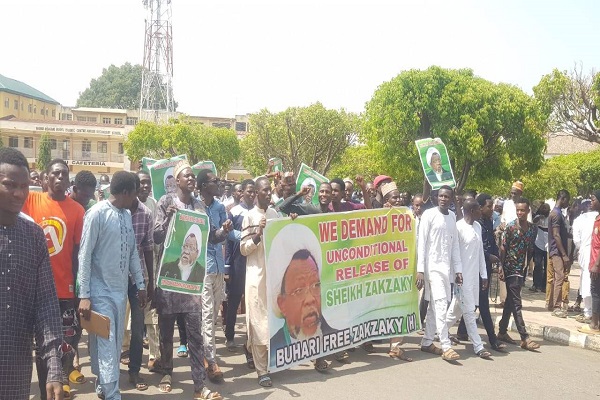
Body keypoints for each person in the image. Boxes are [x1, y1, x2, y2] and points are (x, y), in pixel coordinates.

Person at [152, 161, 224, 399]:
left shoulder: (199, 206)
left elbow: (210, 238)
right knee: (166, 330)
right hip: (170, 279)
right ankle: (167, 371)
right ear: (177, 180)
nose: (192, 179)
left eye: (193, 176)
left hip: (192, 283)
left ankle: (198, 386)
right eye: (188, 176)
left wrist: (223, 232)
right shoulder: (166, 202)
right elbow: (156, 236)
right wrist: (167, 220)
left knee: (195, 334)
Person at [78, 171, 148, 399]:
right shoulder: (96, 214)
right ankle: (112, 394)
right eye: (135, 193)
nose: (136, 199)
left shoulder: (126, 215)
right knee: (107, 344)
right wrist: (85, 294)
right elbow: (85, 255)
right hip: (99, 292)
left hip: (119, 293)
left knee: (113, 343)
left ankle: (103, 383)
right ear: (125, 192)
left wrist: (140, 284)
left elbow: (132, 254)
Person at [0, 148, 63, 400]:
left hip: (16, 365)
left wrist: (54, 368)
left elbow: (45, 303)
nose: (18, 193)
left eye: (25, 186)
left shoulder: (35, 236)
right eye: (9, 185)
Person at [22, 158, 86, 399]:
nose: (60, 178)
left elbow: (78, 254)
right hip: (32, 288)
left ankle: (59, 387)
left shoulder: (77, 210)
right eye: (56, 174)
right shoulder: (30, 201)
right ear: (45, 178)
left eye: (64, 175)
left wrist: (81, 290)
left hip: (64, 291)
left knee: (62, 345)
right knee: (38, 348)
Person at [239, 177, 280, 386]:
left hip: (273, 278)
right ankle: (261, 370)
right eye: (263, 190)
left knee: (271, 322)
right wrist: (258, 233)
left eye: (269, 191)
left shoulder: (274, 214)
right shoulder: (249, 216)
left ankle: (269, 363)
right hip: (256, 277)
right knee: (258, 323)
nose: (267, 194)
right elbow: (243, 248)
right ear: (255, 192)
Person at [416, 185, 463, 361]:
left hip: (447, 270)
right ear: (437, 198)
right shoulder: (429, 215)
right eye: (441, 196)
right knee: (442, 304)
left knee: (435, 307)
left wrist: (458, 270)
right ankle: (446, 345)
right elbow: (422, 243)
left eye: (447, 196)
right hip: (431, 268)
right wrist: (420, 270)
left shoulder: (452, 217)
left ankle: (427, 341)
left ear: (451, 199)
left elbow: (455, 246)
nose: (443, 199)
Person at [442, 199, 492, 359]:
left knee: (455, 311)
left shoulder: (477, 227)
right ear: (471, 211)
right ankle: (478, 346)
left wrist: (484, 275)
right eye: (478, 209)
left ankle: (437, 331)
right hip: (461, 279)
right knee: (469, 312)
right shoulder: (458, 228)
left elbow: (480, 254)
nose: (481, 211)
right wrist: (456, 274)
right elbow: (452, 254)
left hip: (473, 279)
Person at [197, 169, 233, 382]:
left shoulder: (220, 207)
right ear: (203, 186)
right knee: (208, 315)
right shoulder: (194, 206)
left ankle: (204, 353)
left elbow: (220, 236)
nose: (218, 184)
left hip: (218, 267)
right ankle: (211, 362)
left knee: (214, 315)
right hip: (201, 268)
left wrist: (228, 231)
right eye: (214, 181)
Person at [455, 194, 505, 351]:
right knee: (482, 305)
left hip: (484, 269)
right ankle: (492, 339)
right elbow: (477, 251)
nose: (492, 209)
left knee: (469, 305)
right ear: (479, 208)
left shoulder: (484, 223)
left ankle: (461, 331)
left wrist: (496, 260)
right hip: (470, 270)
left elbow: (490, 244)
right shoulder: (468, 225)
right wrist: (488, 256)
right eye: (489, 206)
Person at [121, 173, 155, 391]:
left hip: (138, 279)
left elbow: (149, 247)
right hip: (114, 277)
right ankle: (110, 373)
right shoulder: (115, 211)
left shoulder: (146, 213)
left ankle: (134, 370)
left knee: (137, 326)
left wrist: (149, 282)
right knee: (113, 326)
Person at [497, 197, 541, 351]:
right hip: (510, 268)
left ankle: (502, 331)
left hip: (521, 269)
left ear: (528, 211)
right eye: (518, 210)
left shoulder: (533, 228)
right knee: (516, 302)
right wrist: (500, 268)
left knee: (510, 301)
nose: (520, 213)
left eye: (523, 210)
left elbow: (530, 249)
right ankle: (524, 337)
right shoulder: (510, 228)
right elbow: (503, 249)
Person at [225, 179, 256, 351]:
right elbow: (229, 238)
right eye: (249, 191)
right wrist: (227, 267)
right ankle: (230, 335)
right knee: (234, 299)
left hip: (255, 261)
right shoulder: (234, 212)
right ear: (242, 192)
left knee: (254, 299)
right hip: (238, 261)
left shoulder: (261, 212)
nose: (252, 195)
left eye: (254, 192)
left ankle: (252, 337)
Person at [547, 190, 572, 318]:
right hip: (557, 251)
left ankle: (551, 304)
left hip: (556, 250)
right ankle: (556, 307)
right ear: (563, 199)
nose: (568, 203)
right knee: (560, 277)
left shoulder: (557, 213)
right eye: (567, 200)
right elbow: (556, 235)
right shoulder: (556, 214)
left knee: (556, 277)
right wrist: (564, 254)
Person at [578, 191, 600, 334]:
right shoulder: (597, 218)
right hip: (593, 259)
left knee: (596, 292)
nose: (591, 202)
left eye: (593, 199)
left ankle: (594, 325)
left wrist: (596, 264)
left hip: (597, 263)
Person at [572, 200, 597, 325]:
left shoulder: (579, 220)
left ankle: (588, 313)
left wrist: (581, 248)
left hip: (586, 253)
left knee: (587, 282)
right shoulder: (596, 219)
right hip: (593, 253)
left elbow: (576, 240)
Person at [530, 203, 550, 293]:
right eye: (543, 208)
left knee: (547, 266)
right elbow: (533, 221)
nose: (544, 210)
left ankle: (544, 286)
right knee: (537, 264)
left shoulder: (551, 218)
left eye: (546, 208)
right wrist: (539, 217)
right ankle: (535, 284)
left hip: (548, 245)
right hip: (538, 244)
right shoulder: (538, 217)